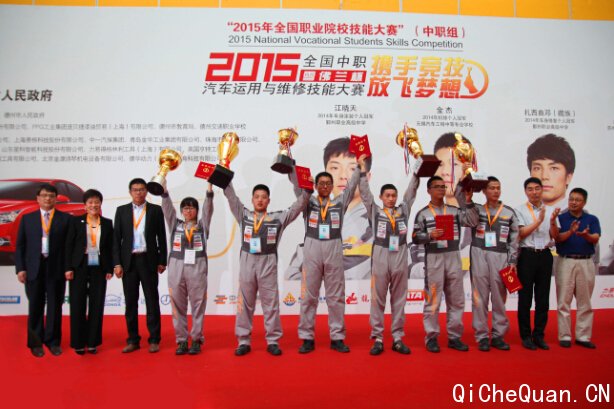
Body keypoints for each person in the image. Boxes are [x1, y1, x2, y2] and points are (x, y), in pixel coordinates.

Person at [224, 179, 310, 356]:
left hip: (268, 262)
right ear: (252, 199)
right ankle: (243, 341)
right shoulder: (243, 215)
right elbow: (232, 198)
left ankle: (272, 341)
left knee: (271, 303)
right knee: (244, 303)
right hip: (247, 261)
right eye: (257, 197)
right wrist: (225, 180)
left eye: (263, 197)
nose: (260, 200)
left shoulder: (278, 218)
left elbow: (296, 209)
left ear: (268, 200)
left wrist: (307, 192)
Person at [294, 164, 360, 354]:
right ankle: (307, 338)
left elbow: (351, 186)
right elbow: (296, 186)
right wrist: (290, 163)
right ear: (315, 186)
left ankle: (337, 337)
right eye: (321, 183)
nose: (324, 186)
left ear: (332, 187)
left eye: (327, 183)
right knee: (309, 296)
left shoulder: (340, 202)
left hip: (334, 247)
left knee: (336, 296)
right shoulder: (307, 201)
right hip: (312, 247)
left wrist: (359, 167)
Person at [285, 137, 373, 280]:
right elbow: (292, 275)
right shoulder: (317, 208)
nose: (343, 176)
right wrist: (287, 157)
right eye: (335, 168)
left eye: (352, 168)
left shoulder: (373, 222)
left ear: (366, 177)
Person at [357, 154, 418, 355]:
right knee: (378, 298)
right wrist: (362, 171)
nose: (391, 198)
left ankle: (398, 338)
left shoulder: (404, 210)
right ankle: (378, 338)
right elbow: (365, 194)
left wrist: (417, 170)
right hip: (381, 254)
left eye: (394, 195)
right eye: (388, 196)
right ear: (382, 197)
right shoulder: (375, 211)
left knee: (399, 298)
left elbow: (412, 191)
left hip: (400, 253)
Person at [456, 172, 519, 352]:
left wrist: (512, 261)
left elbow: (514, 239)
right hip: (479, 253)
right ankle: (482, 336)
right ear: (484, 191)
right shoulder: (475, 209)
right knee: (479, 297)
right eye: (491, 188)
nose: (496, 191)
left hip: (501, 256)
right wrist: (464, 179)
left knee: (499, 297)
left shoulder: (509, 212)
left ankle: (498, 335)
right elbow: (458, 196)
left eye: (498, 188)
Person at [413, 176, 472, 353]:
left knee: (457, 299)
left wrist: (467, 201)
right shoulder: (423, 213)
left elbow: (471, 221)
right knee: (433, 299)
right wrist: (429, 236)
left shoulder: (454, 211)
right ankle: (431, 337)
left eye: (443, 186)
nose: (441, 189)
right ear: (428, 190)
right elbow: (415, 237)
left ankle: (454, 337)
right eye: (436, 186)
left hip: (453, 256)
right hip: (434, 258)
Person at [15, 183, 71, 357]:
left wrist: (68, 268)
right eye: (44, 195)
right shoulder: (27, 219)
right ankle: (36, 343)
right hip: (34, 268)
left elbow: (68, 247)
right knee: (35, 306)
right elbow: (20, 246)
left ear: (56, 199)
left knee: (55, 306)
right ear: (38, 198)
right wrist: (20, 268)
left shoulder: (66, 219)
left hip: (56, 268)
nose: (48, 198)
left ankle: (53, 341)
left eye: (51, 196)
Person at [113, 178, 167, 353]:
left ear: (146, 191)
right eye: (135, 189)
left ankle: (154, 339)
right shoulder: (121, 211)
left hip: (148, 260)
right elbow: (116, 239)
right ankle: (133, 340)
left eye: (142, 189)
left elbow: (161, 236)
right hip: (128, 262)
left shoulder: (155, 210)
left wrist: (162, 260)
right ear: (130, 192)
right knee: (130, 303)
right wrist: (117, 263)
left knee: (152, 302)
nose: (139, 192)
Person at [161, 183, 213, 355]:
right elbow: (167, 210)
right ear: (181, 211)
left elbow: (208, 210)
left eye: (191, 208)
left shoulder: (202, 226)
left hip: (197, 267)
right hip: (176, 267)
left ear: (197, 210)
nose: (188, 211)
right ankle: (182, 340)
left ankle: (196, 339)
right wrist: (164, 192)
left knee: (198, 305)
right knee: (177, 306)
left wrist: (209, 191)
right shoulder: (174, 224)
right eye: (185, 208)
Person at [64, 189, 114, 355]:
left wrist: (109, 268)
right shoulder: (75, 221)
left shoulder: (107, 223)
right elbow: (68, 246)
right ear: (85, 205)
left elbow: (110, 248)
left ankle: (93, 342)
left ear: (100, 204)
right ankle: (78, 342)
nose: (93, 205)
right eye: (90, 202)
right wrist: (68, 268)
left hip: (99, 266)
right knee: (77, 304)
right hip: (79, 266)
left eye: (96, 202)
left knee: (97, 304)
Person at [550, 188, 600, 349]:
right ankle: (564, 336)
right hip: (565, 261)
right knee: (563, 301)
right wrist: (570, 231)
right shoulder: (561, 218)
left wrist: (585, 235)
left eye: (577, 200)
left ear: (584, 202)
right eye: (571, 199)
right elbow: (557, 238)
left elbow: (595, 238)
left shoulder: (592, 219)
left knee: (585, 301)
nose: (573, 202)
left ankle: (583, 336)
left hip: (586, 262)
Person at [514, 178, 554, 351]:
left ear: (542, 190)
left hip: (545, 254)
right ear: (526, 192)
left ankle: (539, 335)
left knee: (543, 298)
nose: (534, 192)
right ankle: (525, 336)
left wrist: (553, 222)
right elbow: (521, 233)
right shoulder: (519, 210)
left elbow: (555, 235)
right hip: (527, 255)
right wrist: (538, 221)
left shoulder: (551, 210)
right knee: (525, 298)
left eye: (537, 188)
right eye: (530, 189)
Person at [526, 134, 575, 209]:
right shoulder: (518, 213)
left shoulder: (581, 215)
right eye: (537, 168)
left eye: (554, 168)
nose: (544, 176)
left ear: (568, 177)